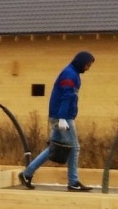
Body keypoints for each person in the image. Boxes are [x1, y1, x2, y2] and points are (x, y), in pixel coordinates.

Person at [20, 50, 95, 192]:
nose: (88, 68)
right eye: (87, 65)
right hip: (63, 118)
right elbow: (66, 97)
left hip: (61, 116)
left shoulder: (72, 73)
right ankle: (73, 182)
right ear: (81, 62)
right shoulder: (70, 75)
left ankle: (27, 174)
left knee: (53, 149)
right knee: (74, 147)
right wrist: (62, 118)